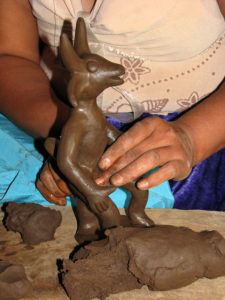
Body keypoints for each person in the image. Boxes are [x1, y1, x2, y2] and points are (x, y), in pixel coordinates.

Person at [0, 0, 224, 210]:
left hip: (205, 132)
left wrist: (191, 137)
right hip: (55, 116)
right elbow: (11, 56)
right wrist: (73, 134)